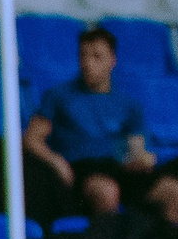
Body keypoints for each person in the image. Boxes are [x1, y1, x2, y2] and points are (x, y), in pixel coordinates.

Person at [25, 26, 152, 225]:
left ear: (112, 61)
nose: (87, 63)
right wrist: (55, 161)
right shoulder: (59, 95)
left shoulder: (129, 104)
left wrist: (140, 161)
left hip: (116, 169)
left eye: (96, 57)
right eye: (83, 55)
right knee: (107, 191)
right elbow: (32, 139)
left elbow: (134, 152)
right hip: (80, 171)